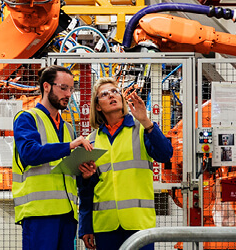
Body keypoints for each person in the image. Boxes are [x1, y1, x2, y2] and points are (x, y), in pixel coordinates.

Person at [77, 78, 173, 250]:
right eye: (104, 94)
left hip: (139, 224)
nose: (112, 96)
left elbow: (165, 154)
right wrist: (85, 226)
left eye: (115, 91)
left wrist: (147, 121)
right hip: (105, 226)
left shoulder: (143, 129)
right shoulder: (92, 140)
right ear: (98, 106)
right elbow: (86, 191)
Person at [11, 65, 98, 250]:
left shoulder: (67, 128)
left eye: (71, 89)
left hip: (66, 214)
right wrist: (69, 146)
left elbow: (67, 171)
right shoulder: (27, 118)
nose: (68, 94)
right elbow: (29, 154)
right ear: (47, 87)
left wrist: (84, 174)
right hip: (40, 215)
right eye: (63, 88)